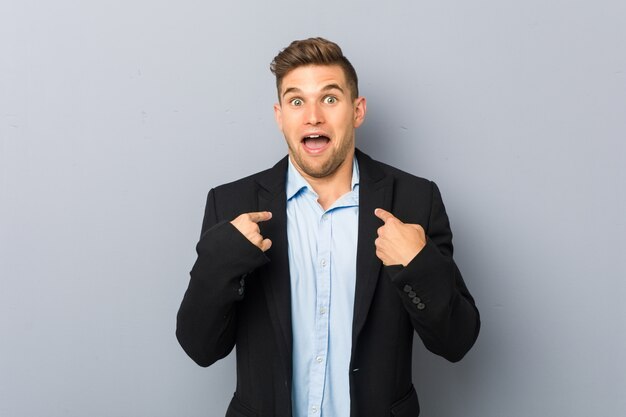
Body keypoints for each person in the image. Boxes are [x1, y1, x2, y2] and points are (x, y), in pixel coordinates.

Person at [176, 37, 480, 417]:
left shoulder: (416, 200)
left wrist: (418, 265)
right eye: (296, 101)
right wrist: (223, 261)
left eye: (330, 98)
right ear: (280, 115)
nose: (313, 116)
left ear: (357, 110)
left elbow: (457, 341)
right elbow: (200, 348)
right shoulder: (232, 204)